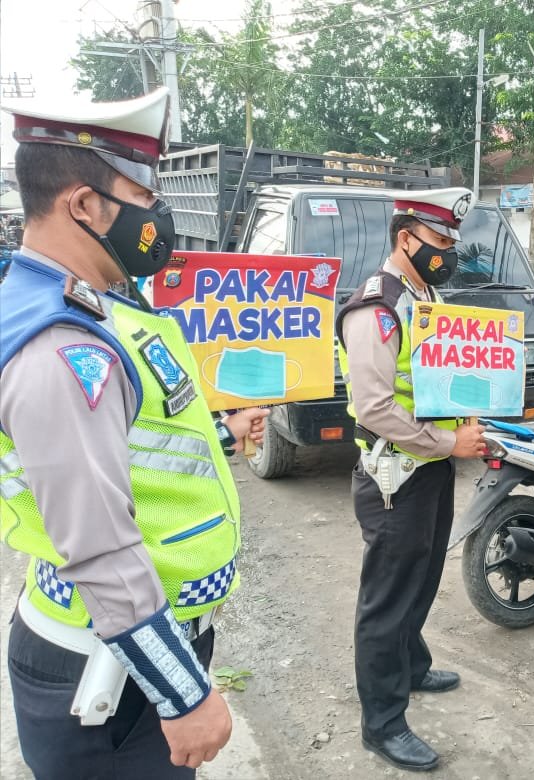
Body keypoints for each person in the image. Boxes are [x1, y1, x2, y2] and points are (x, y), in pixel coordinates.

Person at [0, 89, 269, 778]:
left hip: (123, 652)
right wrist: (182, 694)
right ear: (84, 205)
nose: (159, 214)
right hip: (111, 674)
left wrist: (225, 429)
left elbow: (135, 439)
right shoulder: (62, 348)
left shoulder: (94, 303)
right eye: (143, 193)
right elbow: (98, 547)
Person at [337, 188, 488, 772]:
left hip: (429, 469)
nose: (448, 252)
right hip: (393, 475)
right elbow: (375, 408)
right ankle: (383, 722)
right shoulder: (376, 308)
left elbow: (443, 374)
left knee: (423, 576)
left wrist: (471, 414)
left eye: (452, 242)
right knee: (388, 598)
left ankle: (413, 664)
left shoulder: (428, 295)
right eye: (440, 242)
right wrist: (452, 441)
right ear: (407, 238)